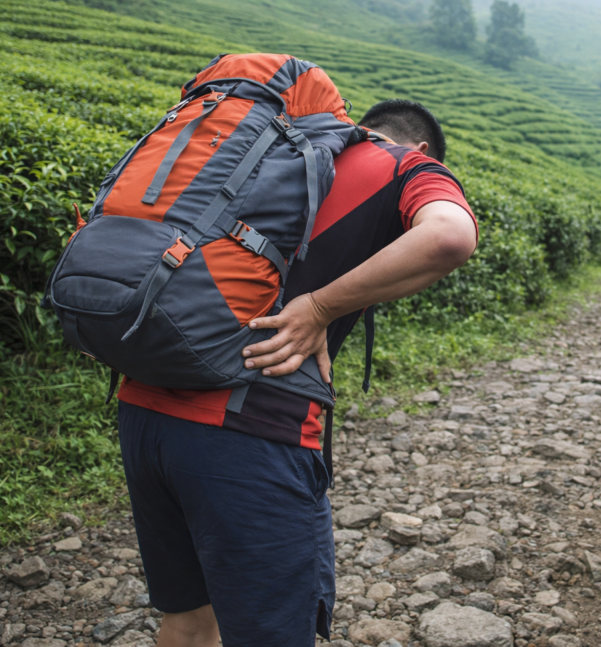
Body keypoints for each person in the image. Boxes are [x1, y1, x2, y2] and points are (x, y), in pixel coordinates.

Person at [115, 99, 478, 647]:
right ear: (423, 150)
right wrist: (321, 307)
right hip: (251, 429)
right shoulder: (405, 166)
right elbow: (449, 236)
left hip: (144, 409)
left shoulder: (277, 154)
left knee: (188, 622)